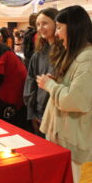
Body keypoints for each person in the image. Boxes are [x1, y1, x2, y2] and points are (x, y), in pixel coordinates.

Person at [36, 5, 92, 183]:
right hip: (63, 130)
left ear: (73, 27)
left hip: (71, 134)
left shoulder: (88, 57)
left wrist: (50, 86)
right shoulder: (78, 53)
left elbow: (76, 100)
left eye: (59, 27)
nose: (56, 33)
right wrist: (57, 82)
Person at [23, 8, 59, 137]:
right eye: (38, 24)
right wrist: (32, 111)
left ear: (57, 24)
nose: (40, 28)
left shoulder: (66, 53)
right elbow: (30, 81)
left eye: (45, 23)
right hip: (40, 111)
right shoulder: (38, 54)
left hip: (59, 113)